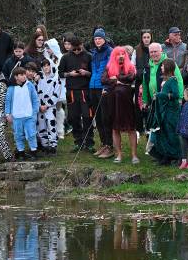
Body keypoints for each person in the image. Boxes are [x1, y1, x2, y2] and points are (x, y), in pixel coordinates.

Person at [104, 46, 139, 164]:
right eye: (118, 54)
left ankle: (134, 155)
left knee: (131, 128)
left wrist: (117, 77)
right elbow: (103, 80)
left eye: (123, 54)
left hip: (127, 102)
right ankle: (119, 154)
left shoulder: (130, 66)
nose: (121, 56)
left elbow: (131, 77)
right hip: (113, 101)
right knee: (115, 128)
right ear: (114, 55)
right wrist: (115, 81)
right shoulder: (109, 66)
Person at [58, 36, 93, 152]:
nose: (77, 51)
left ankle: (89, 142)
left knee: (87, 116)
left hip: (85, 90)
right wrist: (69, 74)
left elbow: (94, 73)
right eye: (75, 49)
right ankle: (78, 141)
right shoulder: (65, 57)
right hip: (71, 90)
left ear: (82, 45)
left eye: (79, 48)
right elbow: (60, 73)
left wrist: (86, 73)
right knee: (73, 117)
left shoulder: (88, 56)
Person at [146, 59, 182, 165]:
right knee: (164, 133)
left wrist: (160, 95)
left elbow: (175, 94)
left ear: (168, 67)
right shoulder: (166, 79)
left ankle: (174, 156)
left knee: (170, 133)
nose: (161, 68)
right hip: (164, 110)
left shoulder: (173, 80)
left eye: (162, 66)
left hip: (171, 111)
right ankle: (164, 156)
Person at [5, 67, 40, 160]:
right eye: (21, 75)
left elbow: (35, 99)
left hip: (29, 115)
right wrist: (8, 114)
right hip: (16, 116)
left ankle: (34, 152)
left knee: (31, 134)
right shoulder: (11, 88)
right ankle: (21, 153)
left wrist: (34, 112)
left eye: (24, 74)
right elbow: (7, 101)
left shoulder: (30, 85)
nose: (24, 76)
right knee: (18, 135)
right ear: (16, 77)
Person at [90, 28, 114, 158]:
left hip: (103, 87)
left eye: (99, 38)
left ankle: (110, 146)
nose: (98, 41)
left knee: (105, 117)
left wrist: (107, 85)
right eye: (96, 39)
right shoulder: (93, 53)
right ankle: (103, 143)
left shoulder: (109, 51)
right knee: (98, 117)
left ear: (104, 39)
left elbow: (111, 69)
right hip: (93, 86)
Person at [142, 43, 184, 108]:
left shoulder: (169, 63)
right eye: (151, 52)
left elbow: (179, 80)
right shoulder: (147, 66)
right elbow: (145, 84)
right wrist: (145, 101)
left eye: (155, 51)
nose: (153, 54)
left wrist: (180, 98)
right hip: (153, 102)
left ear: (161, 51)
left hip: (168, 102)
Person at [36, 59, 64, 154]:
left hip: (50, 107)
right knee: (41, 126)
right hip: (40, 107)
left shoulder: (56, 79)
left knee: (51, 125)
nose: (46, 67)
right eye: (44, 66)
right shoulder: (38, 79)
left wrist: (47, 105)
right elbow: (35, 93)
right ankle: (45, 146)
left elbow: (56, 94)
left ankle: (53, 146)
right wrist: (40, 105)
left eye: (48, 65)